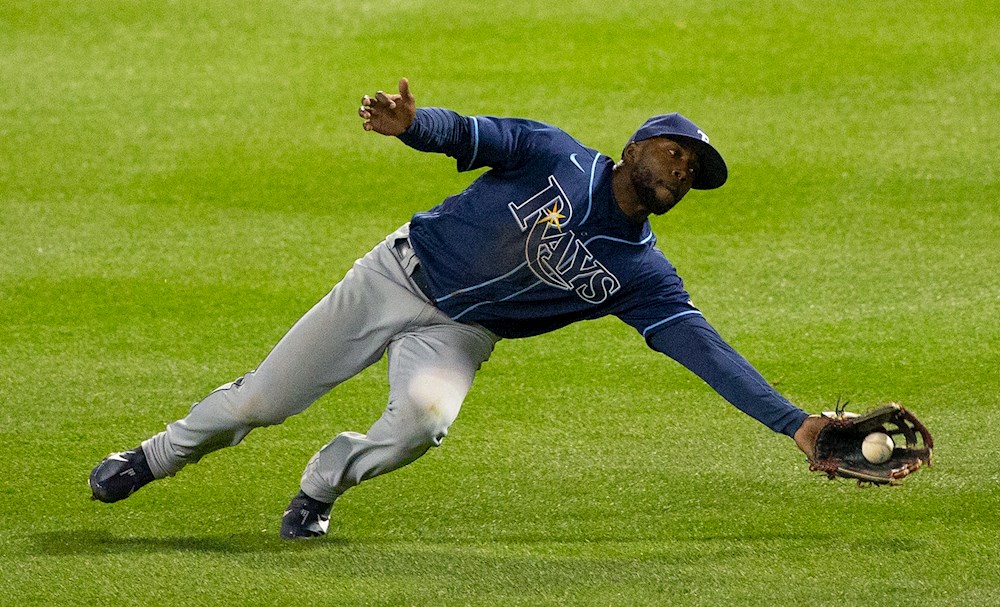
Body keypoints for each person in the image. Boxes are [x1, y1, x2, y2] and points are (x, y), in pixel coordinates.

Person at [90, 78, 827, 539]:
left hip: (461, 332)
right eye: (677, 153)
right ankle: (151, 457)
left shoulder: (642, 274)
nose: (683, 171)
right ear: (637, 145)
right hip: (394, 275)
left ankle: (320, 487)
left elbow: (707, 350)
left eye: (694, 171)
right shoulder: (555, 154)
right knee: (260, 401)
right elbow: (474, 134)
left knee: (424, 422)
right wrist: (413, 124)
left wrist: (794, 422)